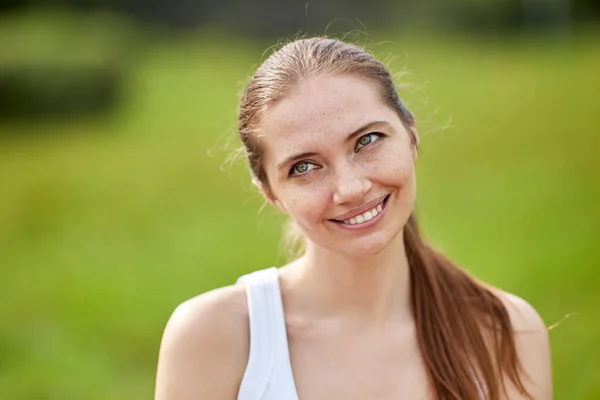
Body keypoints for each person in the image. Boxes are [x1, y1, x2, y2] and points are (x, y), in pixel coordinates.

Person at [154, 37, 552, 400]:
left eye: (367, 141)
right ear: (271, 193)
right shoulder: (213, 338)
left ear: (411, 136)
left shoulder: (506, 331)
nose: (350, 188)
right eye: (305, 167)